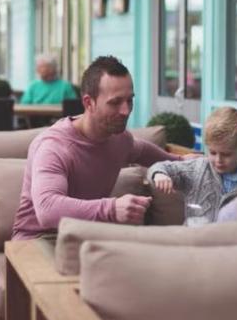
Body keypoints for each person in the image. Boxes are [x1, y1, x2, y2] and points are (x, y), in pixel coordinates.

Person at [12, 55, 184, 239]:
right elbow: (47, 210)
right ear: (89, 103)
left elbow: (140, 150)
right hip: (36, 242)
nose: (126, 111)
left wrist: (179, 161)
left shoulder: (119, 138)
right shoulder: (54, 147)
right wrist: (110, 209)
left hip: (86, 236)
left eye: (129, 100)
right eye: (115, 103)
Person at [148, 106, 237, 224]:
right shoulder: (197, 169)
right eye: (213, 152)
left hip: (236, 240)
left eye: (226, 154)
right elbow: (159, 167)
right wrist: (159, 175)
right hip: (194, 238)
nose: (218, 160)